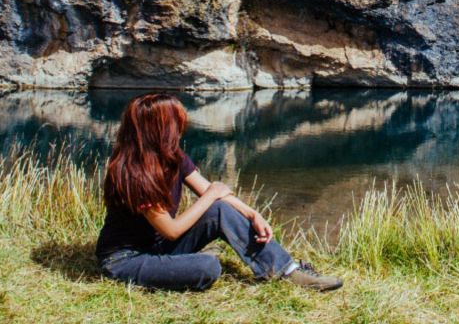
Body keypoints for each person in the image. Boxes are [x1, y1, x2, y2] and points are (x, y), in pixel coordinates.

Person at [95, 92, 342, 292]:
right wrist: (212, 195)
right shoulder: (134, 173)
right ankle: (179, 265)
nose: (181, 129)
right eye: (176, 124)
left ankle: (287, 270)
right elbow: (172, 230)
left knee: (220, 209)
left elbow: (215, 193)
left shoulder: (173, 157)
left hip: (158, 245)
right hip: (126, 259)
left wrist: (252, 213)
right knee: (208, 267)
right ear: (158, 130)